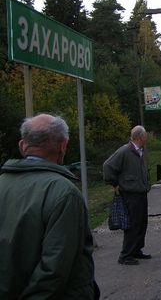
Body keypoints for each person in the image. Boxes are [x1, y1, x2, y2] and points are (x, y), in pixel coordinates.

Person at [0, 113, 99, 299]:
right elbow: (55, 268)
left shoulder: (2, 184)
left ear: (22, 146)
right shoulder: (65, 193)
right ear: (63, 146)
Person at [103, 125, 151, 265]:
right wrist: (114, 183)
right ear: (140, 137)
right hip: (131, 194)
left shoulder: (139, 150)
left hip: (141, 192)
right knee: (132, 225)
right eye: (145, 135)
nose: (146, 137)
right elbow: (107, 166)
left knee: (142, 223)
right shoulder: (125, 150)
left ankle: (136, 250)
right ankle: (125, 255)